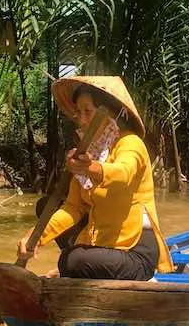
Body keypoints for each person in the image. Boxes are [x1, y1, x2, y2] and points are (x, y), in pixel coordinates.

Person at [17, 76, 173, 280]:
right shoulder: (91, 152)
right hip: (103, 244)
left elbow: (123, 173)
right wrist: (36, 237)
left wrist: (91, 167)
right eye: (79, 112)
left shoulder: (130, 143)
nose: (81, 120)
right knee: (45, 206)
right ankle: (83, 267)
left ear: (110, 114)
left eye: (88, 112)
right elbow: (73, 208)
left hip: (134, 253)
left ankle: (79, 267)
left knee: (71, 260)